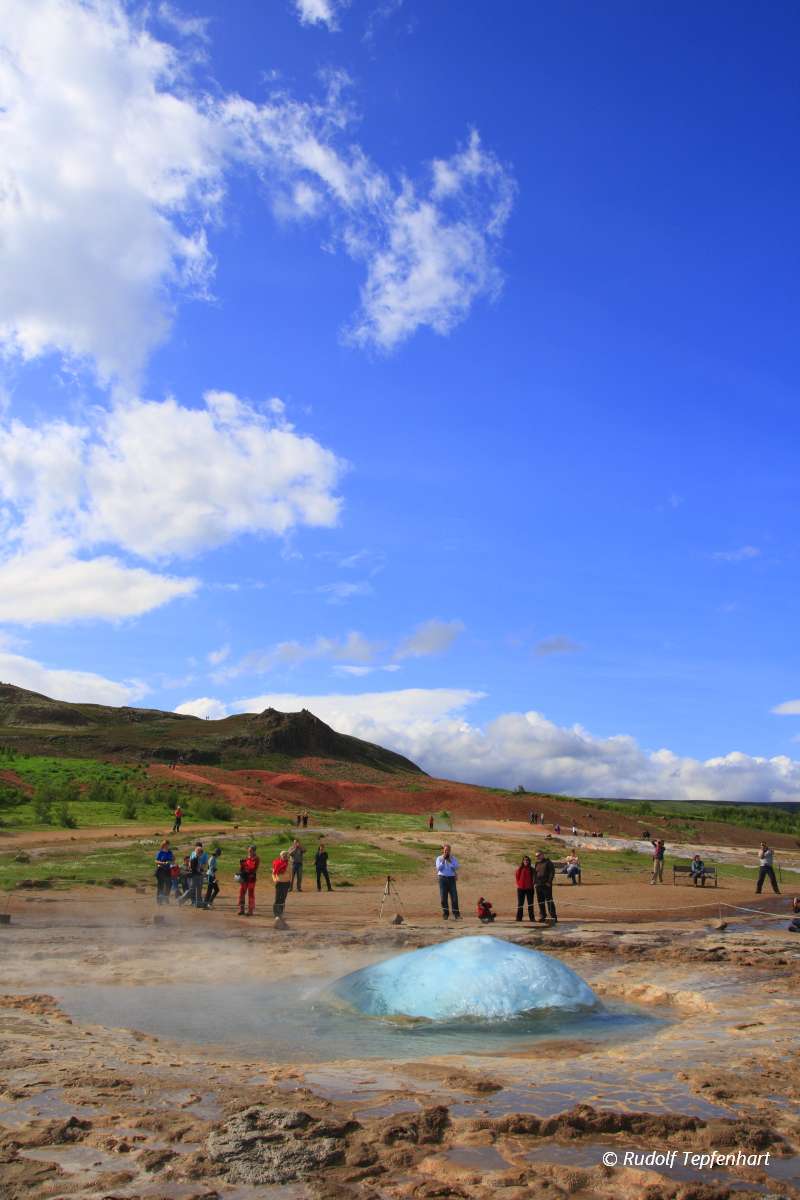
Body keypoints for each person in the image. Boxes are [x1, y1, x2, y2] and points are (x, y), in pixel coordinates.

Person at [435, 844, 461, 920]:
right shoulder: (439, 858)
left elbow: (457, 867)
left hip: (451, 879)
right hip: (442, 878)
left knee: (454, 897)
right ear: (443, 850)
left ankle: (456, 914)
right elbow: (438, 868)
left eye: (448, 850)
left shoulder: (453, 858)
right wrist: (443, 860)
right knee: (443, 898)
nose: (447, 852)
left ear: (450, 851)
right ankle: (446, 914)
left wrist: (449, 861)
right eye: (445, 850)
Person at [533, 851, 557, 923]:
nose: (537, 857)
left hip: (546, 885)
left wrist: (549, 882)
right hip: (539, 885)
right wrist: (535, 882)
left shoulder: (548, 862)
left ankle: (553, 916)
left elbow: (551, 873)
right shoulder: (537, 863)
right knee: (540, 901)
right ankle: (543, 915)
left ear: (543, 855)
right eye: (536, 856)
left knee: (549, 901)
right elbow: (535, 874)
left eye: (539, 855)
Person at [237, 845, 260, 916]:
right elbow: (243, 868)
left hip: (251, 878)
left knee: (251, 894)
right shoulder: (247, 857)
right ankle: (242, 909)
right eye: (249, 850)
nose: (249, 851)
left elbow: (252, 868)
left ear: (254, 851)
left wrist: (244, 864)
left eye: (250, 850)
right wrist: (241, 864)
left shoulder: (256, 858)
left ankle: (250, 910)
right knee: (241, 892)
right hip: (245, 878)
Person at [272, 849, 292, 918]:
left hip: (286, 883)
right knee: (277, 898)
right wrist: (275, 880)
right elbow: (273, 874)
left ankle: (280, 913)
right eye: (283, 855)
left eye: (286, 855)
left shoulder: (289, 863)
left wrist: (290, 882)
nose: (285, 856)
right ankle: (276, 913)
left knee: (283, 898)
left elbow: (291, 873)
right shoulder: (276, 863)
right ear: (280, 856)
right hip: (279, 883)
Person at [515, 855, 535, 922]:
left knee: (530, 904)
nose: (526, 861)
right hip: (521, 889)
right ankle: (519, 918)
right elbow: (517, 877)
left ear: (529, 861)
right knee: (520, 904)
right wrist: (519, 884)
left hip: (530, 889)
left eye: (527, 860)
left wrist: (532, 884)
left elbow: (534, 878)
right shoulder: (520, 869)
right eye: (524, 860)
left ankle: (532, 918)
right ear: (523, 861)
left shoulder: (532, 869)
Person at [154, 839, 173, 905]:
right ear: (163, 845)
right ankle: (159, 901)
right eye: (166, 845)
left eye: (168, 845)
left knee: (169, 884)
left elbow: (173, 859)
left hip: (168, 870)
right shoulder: (160, 852)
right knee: (160, 886)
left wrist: (171, 862)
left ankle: (165, 897)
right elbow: (156, 861)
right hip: (161, 870)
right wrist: (162, 862)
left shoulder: (170, 852)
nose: (167, 846)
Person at [188, 841, 208, 907]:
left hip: (200, 872)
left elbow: (205, 863)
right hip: (194, 872)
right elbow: (190, 861)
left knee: (199, 888)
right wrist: (190, 867)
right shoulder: (193, 853)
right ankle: (194, 901)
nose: (196, 849)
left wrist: (202, 868)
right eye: (196, 847)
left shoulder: (204, 854)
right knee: (193, 888)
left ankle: (198, 902)